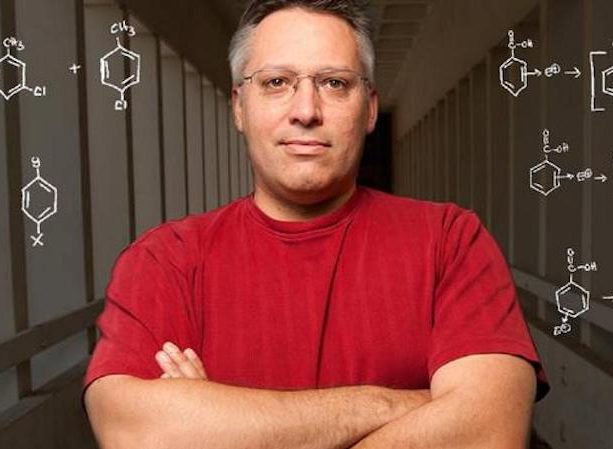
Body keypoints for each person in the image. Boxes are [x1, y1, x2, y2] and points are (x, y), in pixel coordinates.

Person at [83, 1, 549, 448]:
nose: (306, 111)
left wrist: (225, 427)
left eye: (334, 83)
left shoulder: (451, 241)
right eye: (276, 82)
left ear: (368, 108)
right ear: (239, 107)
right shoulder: (164, 261)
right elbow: (137, 435)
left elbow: (487, 434)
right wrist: (396, 404)